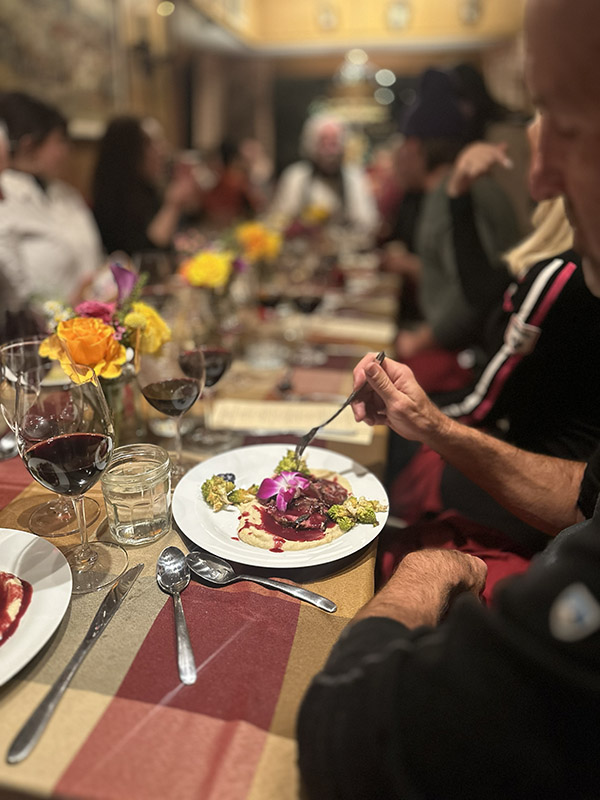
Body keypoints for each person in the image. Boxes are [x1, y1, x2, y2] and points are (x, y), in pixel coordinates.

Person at [297, 1, 600, 796]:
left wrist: (429, 569)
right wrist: (429, 419)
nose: (534, 167)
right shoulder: (550, 256)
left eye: (565, 122)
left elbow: (350, 736)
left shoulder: (563, 272)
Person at [383, 69, 521, 392]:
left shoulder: (452, 195)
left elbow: (473, 290)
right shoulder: (445, 191)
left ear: (415, 148)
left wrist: (420, 339)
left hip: (471, 359)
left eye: (401, 145)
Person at [0, 91, 103, 306]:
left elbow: (94, 259)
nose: (67, 150)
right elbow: (16, 297)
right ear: (29, 145)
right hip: (39, 330)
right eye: (60, 141)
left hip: (93, 323)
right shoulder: (7, 197)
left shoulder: (65, 193)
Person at [92, 115, 201, 257]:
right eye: (151, 143)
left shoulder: (148, 190)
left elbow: (182, 233)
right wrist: (173, 205)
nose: (162, 150)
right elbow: (146, 257)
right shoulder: (112, 201)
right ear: (128, 151)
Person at [268, 112, 379, 237]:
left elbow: (369, 222)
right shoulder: (296, 176)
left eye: (334, 142)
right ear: (311, 143)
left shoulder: (354, 177)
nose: (330, 150)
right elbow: (279, 221)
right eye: (324, 141)